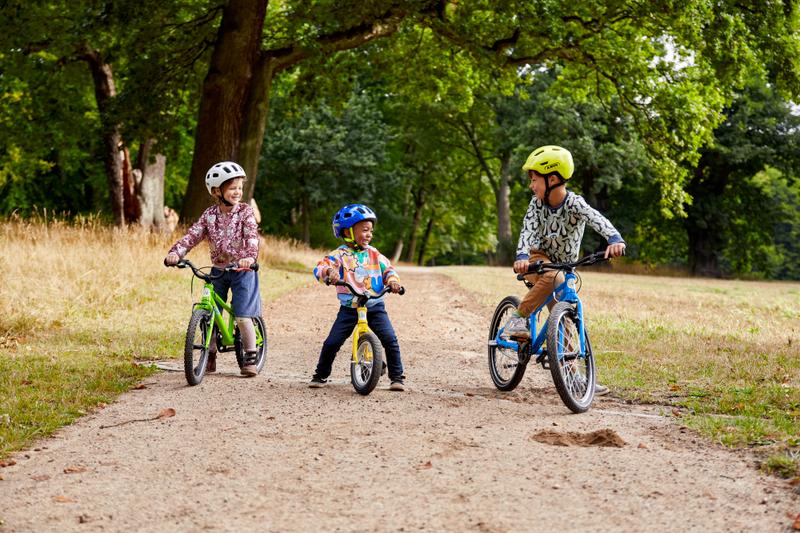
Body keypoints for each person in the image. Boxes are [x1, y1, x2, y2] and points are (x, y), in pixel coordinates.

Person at [504, 145, 626, 395]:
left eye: (534, 180)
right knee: (553, 277)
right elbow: (527, 230)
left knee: (565, 322)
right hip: (536, 261)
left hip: (564, 267)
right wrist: (522, 256)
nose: (531, 186)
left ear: (552, 179)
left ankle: (575, 378)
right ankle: (517, 319)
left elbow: (597, 219)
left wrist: (614, 239)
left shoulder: (575, 204)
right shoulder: (536, 205)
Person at [164, 161, 262, 377]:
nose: (237, 192)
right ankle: (210, 353)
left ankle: (251, 355)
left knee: (242, 314)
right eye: (232, 188)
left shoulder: (245, 212)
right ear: (217, 191)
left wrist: (248, 257)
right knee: (208, 312)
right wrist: (176, 253)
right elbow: (193, 235)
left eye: (239, 188)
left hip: (242, 270)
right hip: (218, 269)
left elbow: (252, 237)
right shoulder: (209, 215)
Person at [309, 204, 406, 391]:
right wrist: (330, 272)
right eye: (364, 230)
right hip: (349, 308)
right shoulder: (339, 255)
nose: (369, 234)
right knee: (332, 342)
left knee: (390, 339)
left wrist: (393, 281)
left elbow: (389, 270)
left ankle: (397, 377)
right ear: (348, 231)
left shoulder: (374, 254)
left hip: (375, 305)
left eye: (371, 230)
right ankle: (320, 375)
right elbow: (319, 268)